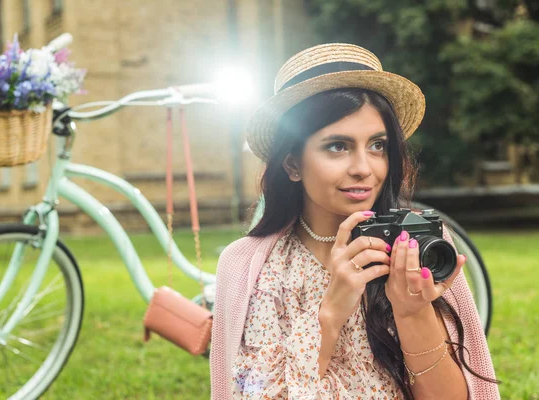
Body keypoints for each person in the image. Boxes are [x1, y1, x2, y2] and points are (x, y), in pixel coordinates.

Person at [209, 43, 500, 399]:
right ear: (293, 165)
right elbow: (252, 392)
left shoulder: (417, 245)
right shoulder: (251, 267)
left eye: (377, 146)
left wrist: (413, 314)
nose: (364, 168)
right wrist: (331, 310)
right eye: (337, 146)